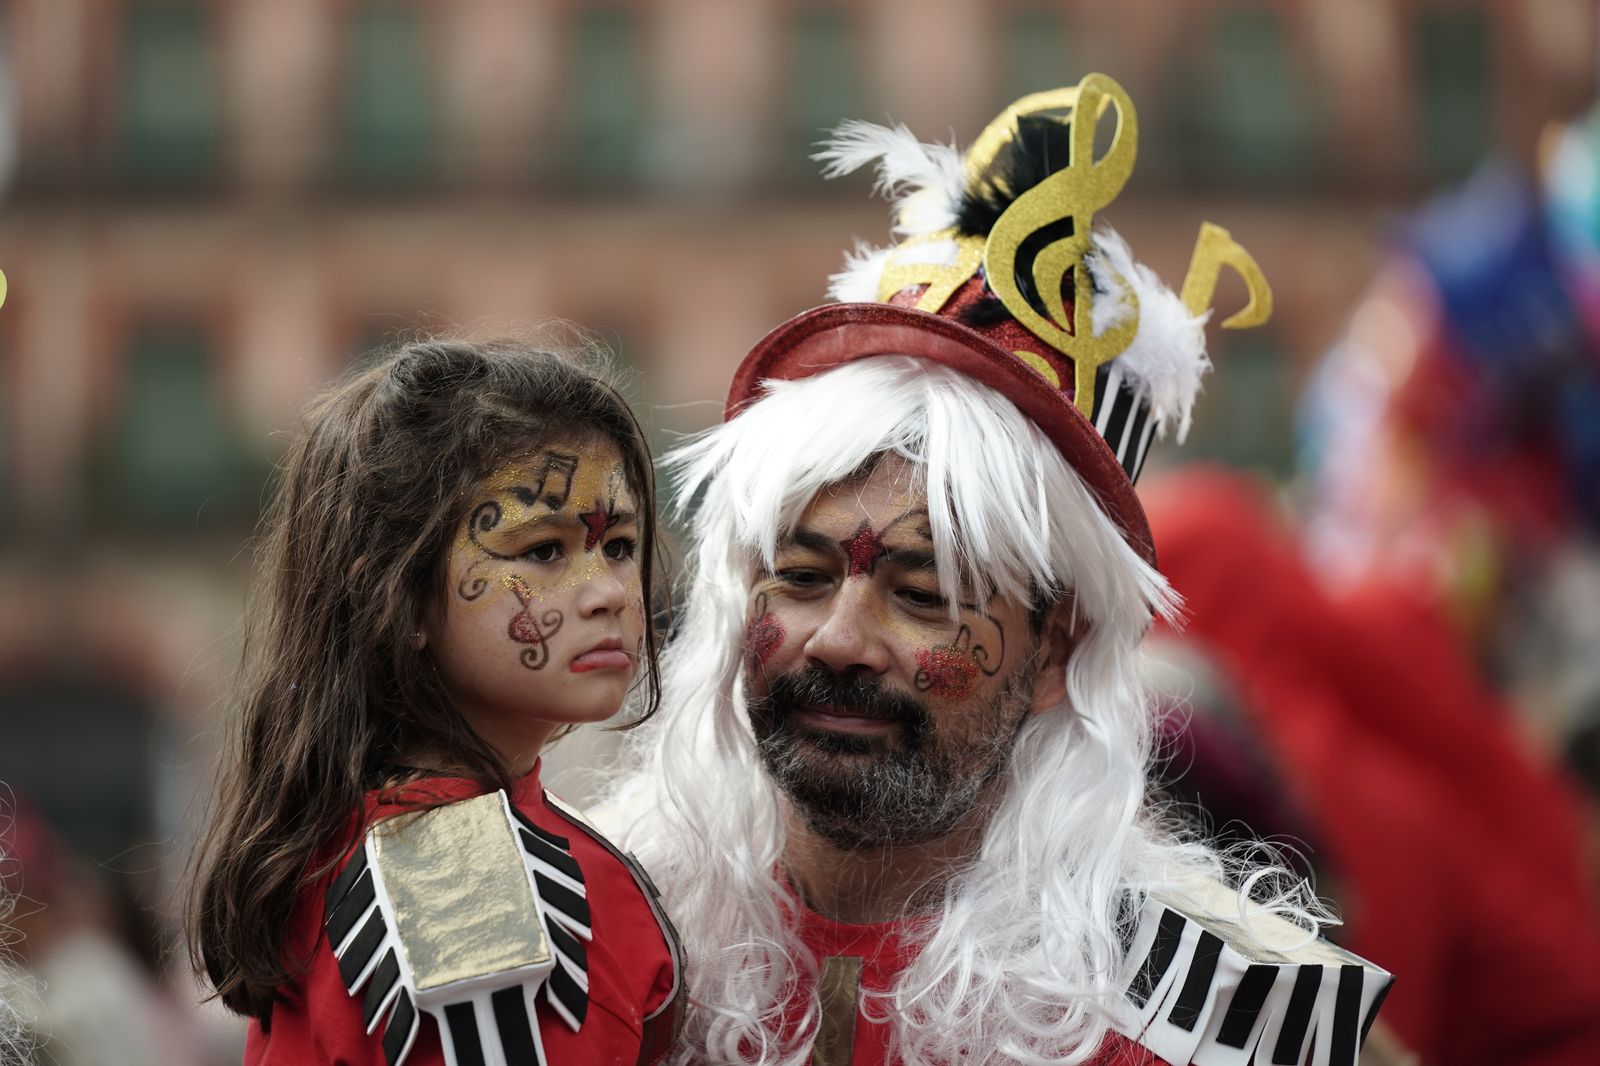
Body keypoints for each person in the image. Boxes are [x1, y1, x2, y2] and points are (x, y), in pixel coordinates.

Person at [605, 74, 1392, 1065]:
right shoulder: (596, 954)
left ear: (1058, 638)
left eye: (923, 593)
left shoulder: (1230, 1029)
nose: (840, 638)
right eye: (800, 576)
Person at [188, 337, 682, 1066]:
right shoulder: (461, 892)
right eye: (543, 550)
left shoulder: (381, 827)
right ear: (399, 598)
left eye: (620, 545)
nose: (610, 591)